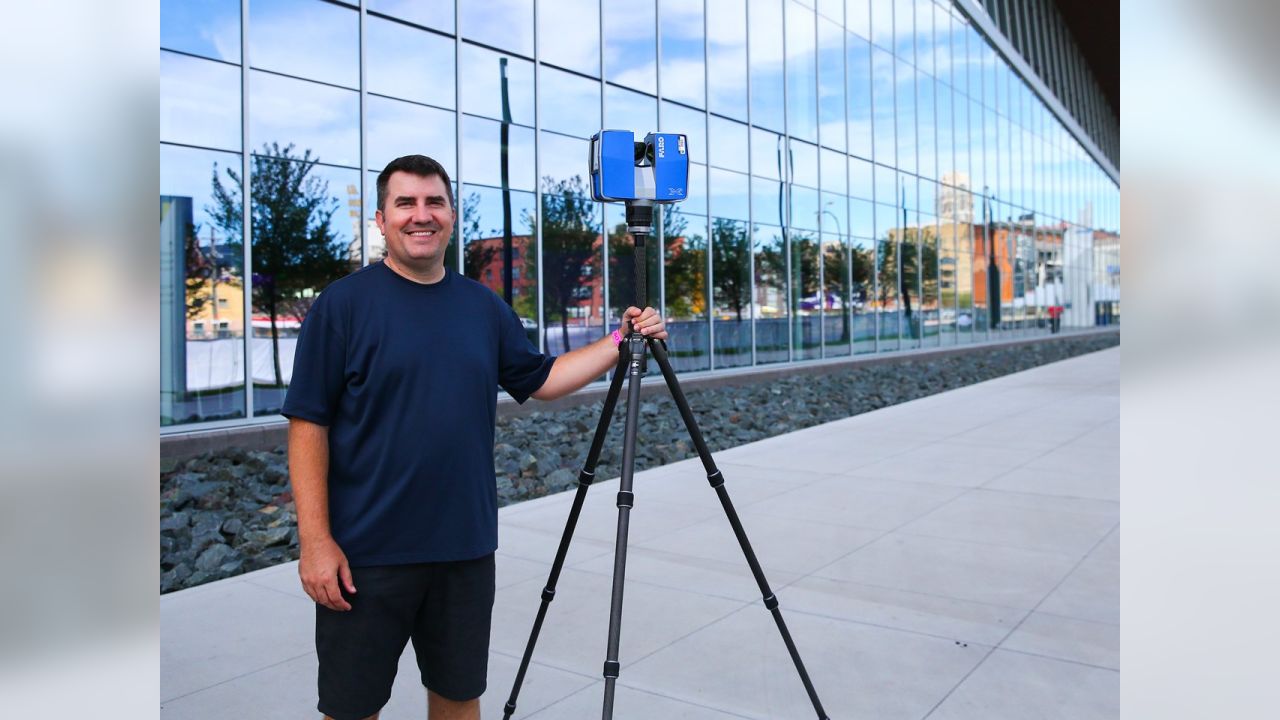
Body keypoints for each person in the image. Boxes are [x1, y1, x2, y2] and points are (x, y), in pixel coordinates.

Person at [282, 154, 667, 720]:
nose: (421, 215)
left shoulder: (481, 307)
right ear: (382, 219)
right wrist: (315, 542)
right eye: (405, 203)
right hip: (365, 555)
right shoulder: (342, 306)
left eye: (434, 202)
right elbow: (308, 424)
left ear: (452, 215)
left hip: (463, 548)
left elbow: (543, 379)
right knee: (351, 709)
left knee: (460, 699)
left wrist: (622, 337)